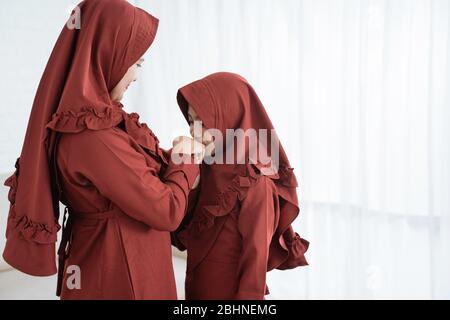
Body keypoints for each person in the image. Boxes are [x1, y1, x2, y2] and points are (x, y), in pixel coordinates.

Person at [3, 0, 204, 299]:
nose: (135, 76)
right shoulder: (91, 136)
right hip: (119, 273)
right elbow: (166, 210)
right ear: (107, 54)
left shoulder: (103, 125)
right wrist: (185, 158)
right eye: (135, 63)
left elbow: (140, 177)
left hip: (123, 263)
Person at [172, 72, 309, 300]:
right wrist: (190, 181)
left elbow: (254, 265)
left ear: (230, 119)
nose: (195, 133)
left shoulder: (254, 180)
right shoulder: (206, 164)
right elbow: (182, 237)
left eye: (203, 122)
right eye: (190, 121)